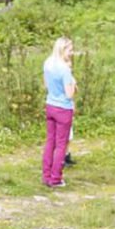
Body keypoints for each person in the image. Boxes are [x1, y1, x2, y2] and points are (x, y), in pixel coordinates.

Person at [41, 37, 76, 188]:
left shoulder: (48, 62)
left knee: (50, 142)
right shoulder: (65, 69)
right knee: (61, 145)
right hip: (63, 108)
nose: (72, 52)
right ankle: (56, 178)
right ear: (63, 50)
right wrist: (74, 84)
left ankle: (46, 175)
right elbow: (69, 94)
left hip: (50, 104)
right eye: (70, 49)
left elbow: (46, 84)